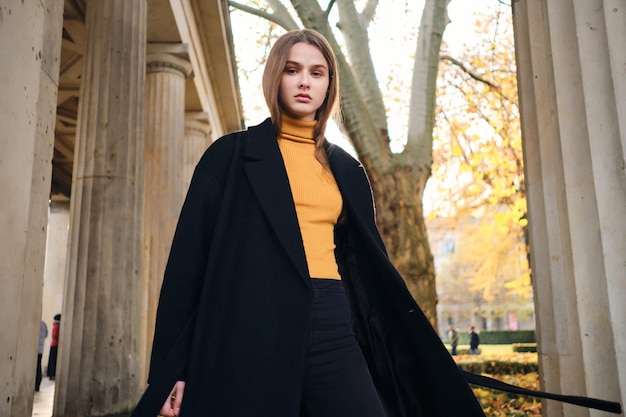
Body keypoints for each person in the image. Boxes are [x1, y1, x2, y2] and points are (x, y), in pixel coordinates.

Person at [131, 29, 485, 417]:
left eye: (317, 73)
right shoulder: (228, 157)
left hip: (331, 322)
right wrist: (170, 371)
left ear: (329, 85)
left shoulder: (348, 170)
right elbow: (186, 269)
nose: (304, 81)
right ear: (275, 78)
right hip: (250, 325)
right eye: (292, 69)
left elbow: (366, 273)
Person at [35, 320, 48, 392]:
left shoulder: (35, 322)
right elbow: (46, 334)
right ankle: (37, 385)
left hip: (34, 349)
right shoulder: (43, 324)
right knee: (38, 366)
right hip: (40, 349)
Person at [47, 314, 60, 380]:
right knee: (53, 360)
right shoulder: (57, 326)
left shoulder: (55, 325)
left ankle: (51, 374)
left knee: (52, 360)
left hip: (53, 344)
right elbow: (55, 335)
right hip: (56, 344)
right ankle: (53, 374)